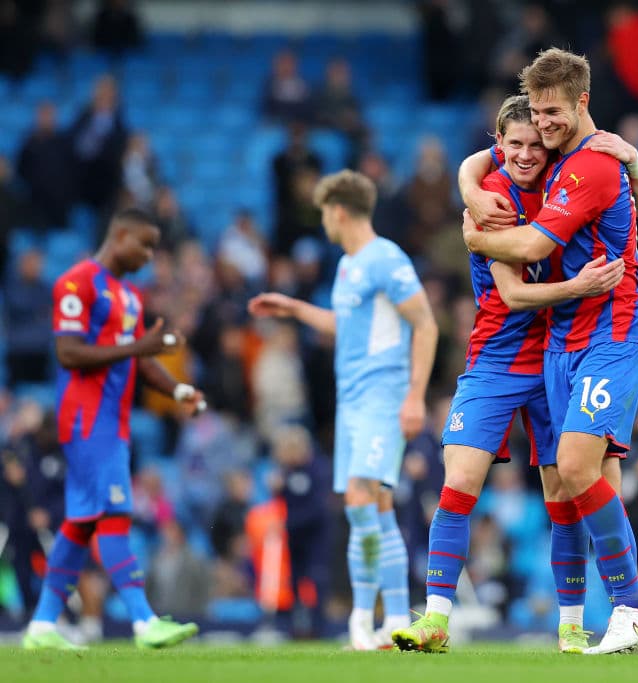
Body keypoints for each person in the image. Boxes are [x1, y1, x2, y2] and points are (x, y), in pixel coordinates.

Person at [391, 94, 638, 654]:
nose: (527, 153)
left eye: (536, 142)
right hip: (496, 356)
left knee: (566, 493)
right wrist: (574, 286)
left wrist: (632, 158)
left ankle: (573, 626)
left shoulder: (567, 178)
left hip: (558, 354)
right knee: (459, 481)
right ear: (499, 145)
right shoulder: (491, 198)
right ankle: (436, 619)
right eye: (515, 144)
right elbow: (511, 293)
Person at [457, 48, 638, 655]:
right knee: (599, 477)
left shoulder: (588, 165)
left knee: (573, 467)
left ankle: (632, 608)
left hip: (610, 329)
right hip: (564, 335)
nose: (542, 124)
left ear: (582, 103)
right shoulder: (562, 156)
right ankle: (636, 625)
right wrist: (468, 185)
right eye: (537, 112)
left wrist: (474, 236)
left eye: (552, 112)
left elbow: (531, 245)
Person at [248, 170, 438, 650]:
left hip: (382, 396)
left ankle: (360, 619)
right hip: (351, 402)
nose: (324, 223)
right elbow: (347, 324)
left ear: (337, 211)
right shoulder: (349, 265)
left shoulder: (385, 258)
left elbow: (425, 323)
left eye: (324, 214)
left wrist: (415, 395)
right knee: (377, 507)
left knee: (359, 501)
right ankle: (396, 619)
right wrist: (295, 309)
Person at [22, 208, 205, 650]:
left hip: (113, 421)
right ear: (119, 235)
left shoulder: (130, 296)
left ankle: (41, 626)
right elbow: (68, 353)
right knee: (115, 513)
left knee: (80, 524)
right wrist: (137, 346)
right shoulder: (77, 283)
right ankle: (144, 621)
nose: (148, 255)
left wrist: (178, 390)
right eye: (144, 244)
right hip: (86, 419)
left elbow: (139, 358)